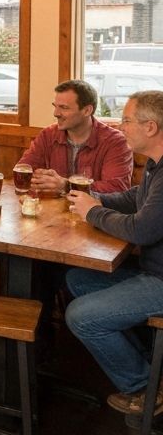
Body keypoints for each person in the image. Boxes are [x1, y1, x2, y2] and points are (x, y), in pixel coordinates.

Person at [65, 91, 163, 416]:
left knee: (81, 316)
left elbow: (142, 230)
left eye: (126, 120)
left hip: (160, 280)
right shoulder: (155, 164)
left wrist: (93, 213)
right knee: (78, 278)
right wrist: (94, 198)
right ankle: (150, 368)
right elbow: (137, 198)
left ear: (150, 127)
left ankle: (145, 388)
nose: (120, 126)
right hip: (153, 272)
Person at [17, 78, 132, 194]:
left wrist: (66, 186)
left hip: (93, 211)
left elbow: (116, 189)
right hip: (51, 209)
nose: (56, 113)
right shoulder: (48, 135)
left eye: (64, 107)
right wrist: (41, 179)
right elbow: (24, 170)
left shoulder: (115, 142)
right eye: (55, 106)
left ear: (87, 110)